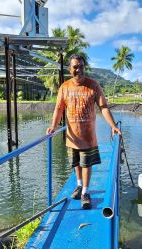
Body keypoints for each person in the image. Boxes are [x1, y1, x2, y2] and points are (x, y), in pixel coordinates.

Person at [47, 54, 121, 209]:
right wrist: (53, 126)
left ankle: (85, 193)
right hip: (72, 137)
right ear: (70, 69)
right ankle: (79, 185)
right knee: (76, 163)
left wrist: (113, 126)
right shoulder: (64, 87)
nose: (78, 70)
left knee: (86, 165)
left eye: (81, 66)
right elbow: (59, 108)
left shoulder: (93, 85)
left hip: (88, 137)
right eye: (75, 67)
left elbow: (104, 107)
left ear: (84, 67)